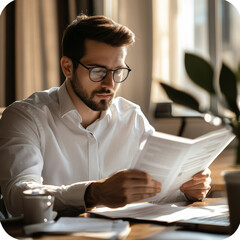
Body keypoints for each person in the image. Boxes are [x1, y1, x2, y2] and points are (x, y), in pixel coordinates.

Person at [0, 15, 211, 217]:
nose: (110, 84)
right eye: (98, 71)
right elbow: (18, 196)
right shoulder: (25, 117)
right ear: (67, 67)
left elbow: (158, 191)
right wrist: (93, 193)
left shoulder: (132, 118)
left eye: (118, 71)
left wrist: (187, 189)